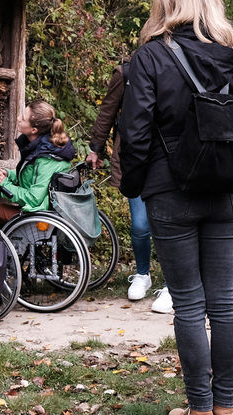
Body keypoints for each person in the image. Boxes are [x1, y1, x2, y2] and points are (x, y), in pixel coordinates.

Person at [117, 0, 233, 413]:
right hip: (226, 193)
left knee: (188, 303)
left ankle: (200, 408)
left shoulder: (150, 57)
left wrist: (137, 185)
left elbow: (134, 134)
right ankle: (225, 407)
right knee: (223, 301)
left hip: (170, 192)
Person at [90, 59, 169, 311]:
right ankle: (143, 274)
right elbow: (107, 111)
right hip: (134, 159)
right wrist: (95, 148)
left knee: (168, 224)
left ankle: (172, 284)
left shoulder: (174, 66)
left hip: (168, 158)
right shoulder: (126, 73)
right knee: (140, 224)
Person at [0, 100, 76, 218]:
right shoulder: (41, 146)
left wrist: (5, 184)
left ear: (34, 130)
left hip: (39, 215)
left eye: (23, 118)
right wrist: (9, 174)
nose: (18, 118)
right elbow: (31, 177)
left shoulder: (46, 158)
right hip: (40, 208)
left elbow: (34, 199)